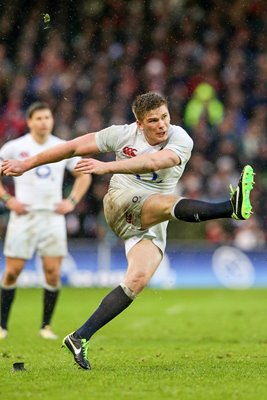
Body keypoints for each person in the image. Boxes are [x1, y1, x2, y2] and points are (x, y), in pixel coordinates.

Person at [1, 92, 254, 367]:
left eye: (165, 117)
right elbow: (73, 147)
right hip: (121, 201)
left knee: (137, 280)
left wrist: (107, 165)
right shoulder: (121, 134)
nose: (162, 125)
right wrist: (26, 164)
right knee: (167, 202)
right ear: (139, 123)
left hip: (151, 215)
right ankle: (230, 208)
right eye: (153, 120)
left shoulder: (181, 138)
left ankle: (79, 337)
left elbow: (156, 162)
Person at [0, 101, 91, 340]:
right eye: (38, 118)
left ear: (52, 121)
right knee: (12, 272)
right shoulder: (15, 147)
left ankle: (46, 326)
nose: (44, 122)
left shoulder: (61, 147)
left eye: (47, 118)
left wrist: (71, 201)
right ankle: (2, 326)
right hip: (24, 216)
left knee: (52, 272)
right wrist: (9, 200)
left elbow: (83, 174)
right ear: (29, 122)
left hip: (52, 217)